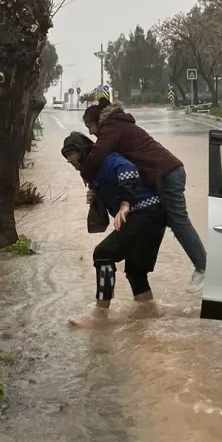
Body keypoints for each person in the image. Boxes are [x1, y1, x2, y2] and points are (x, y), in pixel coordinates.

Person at [79, 98, 206, 293]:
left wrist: (86, 174)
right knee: (171, 220)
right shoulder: (119, 124)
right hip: (167, 173)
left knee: (178, 220)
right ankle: (202, 266)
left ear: (98, 121)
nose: (90, 132)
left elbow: (97, 155)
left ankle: (204, 267)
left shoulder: (111, 127)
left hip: (167, 174)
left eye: (90, 126)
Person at [61, 131, 167, 327]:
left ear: (82, 151)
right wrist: (96, 198)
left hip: (145, 213)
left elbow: (128, 170)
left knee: (102, 254)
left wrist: (126, 203)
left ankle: (100, 315)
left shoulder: (108, 161)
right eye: (66, 156)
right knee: (136, 271)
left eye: (70, 155)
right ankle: (149, 315)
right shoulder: (95, 174)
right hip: (154, 216)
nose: (69, 161)